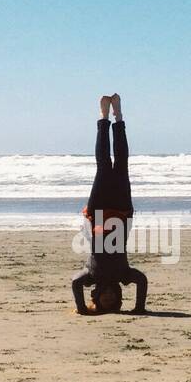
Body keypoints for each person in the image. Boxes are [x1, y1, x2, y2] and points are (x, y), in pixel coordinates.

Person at [72, 94, 148, 315]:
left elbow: (75, 282)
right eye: (112, 300)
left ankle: (103, 117)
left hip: (97, 214)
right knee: (122, 165)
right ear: (118, 298)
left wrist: (82, 309)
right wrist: (139, 308)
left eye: (104, 300)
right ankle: (119, 117)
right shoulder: (123, 276)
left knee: (103, 166)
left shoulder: (90, 275)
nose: (108, 297)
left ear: (95, 298)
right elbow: (141, 280)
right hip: (122, 213)